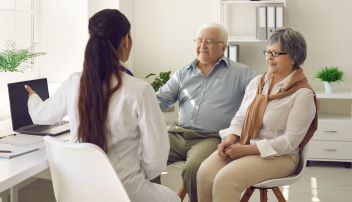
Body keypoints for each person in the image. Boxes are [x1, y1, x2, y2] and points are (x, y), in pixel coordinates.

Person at [25, 9, 180, 202]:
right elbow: (156, 162)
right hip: (127, 194)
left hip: (80, 193)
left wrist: (32, 98)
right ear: (126, 40)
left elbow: (41, 116)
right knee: (172, 198)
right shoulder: (139, 91)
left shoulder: (74, 82)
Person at [196, 28, 318, 202]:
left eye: (276, 53)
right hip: (244, 143)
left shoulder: (303, 94)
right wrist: (230, 138)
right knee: (204, 174)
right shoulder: (257, 82)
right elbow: (240, 117)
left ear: (293, 57)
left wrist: (246, 150)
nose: (269, 57)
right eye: (267, 52)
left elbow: (289, 142)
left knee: (225, 180)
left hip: (280, 156)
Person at [156, 23, 256, 202]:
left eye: (209, 41)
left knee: (194, 169)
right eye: (199, 40)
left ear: (223, 47)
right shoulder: (183, 73)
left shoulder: (242, 73)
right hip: (178, 133)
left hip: (211, 137)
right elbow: (160, 100)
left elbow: (261, 99)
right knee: (144, 154)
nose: (202, 45)